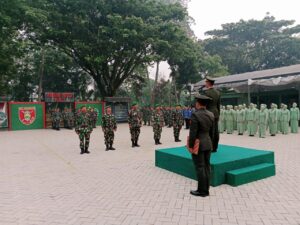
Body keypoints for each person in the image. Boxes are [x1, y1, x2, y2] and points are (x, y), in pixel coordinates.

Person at [188, 93, 214, 197]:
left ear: (198, 103)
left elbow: (193, 133)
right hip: (208, 143)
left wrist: (190, 145)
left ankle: (201, 191)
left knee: (200, 167)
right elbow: (212, 132)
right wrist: (211, 143)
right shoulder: (211, 114)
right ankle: (206, 189)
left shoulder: (195, 114)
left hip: (199, 145)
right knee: (207, 167)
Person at [203, 76, 220, 152]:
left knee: (209, 131)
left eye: (206, 82)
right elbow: (218, 105)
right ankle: (215, 147)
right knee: (216, 131)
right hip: (216, 113)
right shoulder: (218, 92)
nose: (205, 83)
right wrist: (218, 114)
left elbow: (204, 105)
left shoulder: (206, 92)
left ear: (209, 83)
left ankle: (210, 147)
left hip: (208, 113)